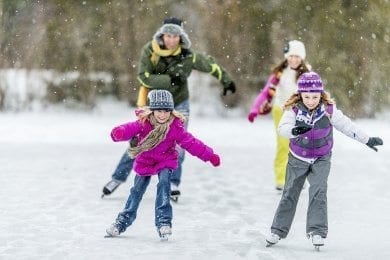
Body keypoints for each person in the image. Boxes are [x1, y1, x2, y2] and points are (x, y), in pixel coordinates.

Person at [101, 16, 236, 200]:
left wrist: (226, 81)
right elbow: (143, 76)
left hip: (179, 103)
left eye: (175, 36)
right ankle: (117, 178)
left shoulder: (188, 55)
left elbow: (211, 65)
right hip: (153, 105)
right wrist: (167, 80)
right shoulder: (150, 51)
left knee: (179, 142)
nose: (171, 39)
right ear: (162, 35)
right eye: (168, 35)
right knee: (139, 141)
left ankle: (173, 182)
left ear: (181, 37)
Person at [265, 71, 383, 249]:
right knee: (290, 193)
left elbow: (346, 125)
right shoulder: (294, 109)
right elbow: (283, 128)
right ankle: (277, 231)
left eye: (315, 96)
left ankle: (317, 231)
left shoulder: (328, 110)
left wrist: (367, 139)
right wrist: (295, 130)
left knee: (319, 192)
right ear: (300, 95)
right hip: (297, 158)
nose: (311, 100)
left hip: (321, 158)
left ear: (321, 94)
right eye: (307, 96)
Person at [105, 89, 221, 240]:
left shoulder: (175, 127)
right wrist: (119, 132)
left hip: (165, 159)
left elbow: (191, 143)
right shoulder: (143, 123)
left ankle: (163, 222)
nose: (163, 114)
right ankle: (121, 222)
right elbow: (129, 128)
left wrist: (210, 155)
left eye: (167, 111)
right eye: (159, 110)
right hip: (145, 160)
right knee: (136, 192)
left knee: (164, 184)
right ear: (152, 111)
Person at [248, 40, 310, 191]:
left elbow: (317, 94)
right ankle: (281, 179)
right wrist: (255, 109)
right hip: (281, 111)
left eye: (297, 56)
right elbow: (265, 92)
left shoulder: (308, 73)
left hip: (300, 112)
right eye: (291, 56)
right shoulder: (280, 73)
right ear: (287, 57)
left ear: (301, 57)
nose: (293, 59)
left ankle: (299, 178)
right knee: (284, 145)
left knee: (300, 145)